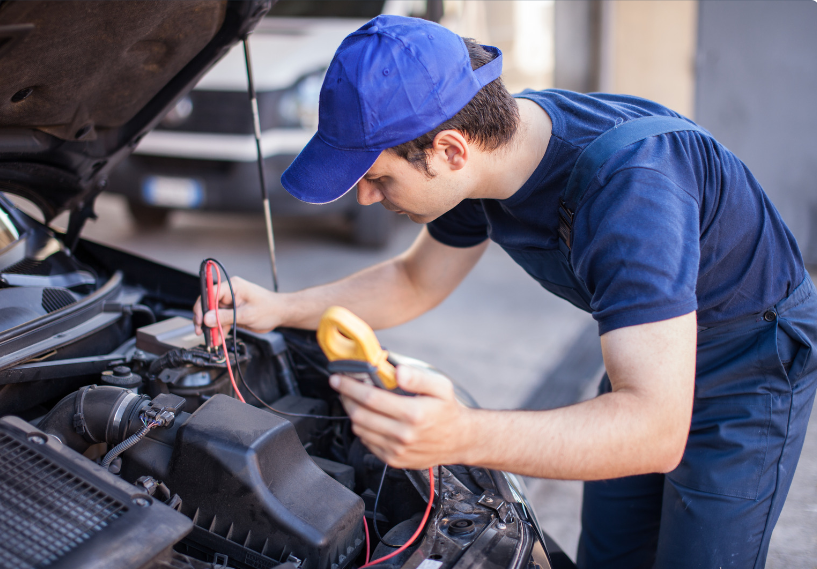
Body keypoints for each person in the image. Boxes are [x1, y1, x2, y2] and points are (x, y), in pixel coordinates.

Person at [193, 15, 817, 569]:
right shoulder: (485, 163)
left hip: (749, 364)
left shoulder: (633, 191)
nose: (364, 196)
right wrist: (277, 309)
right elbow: (413, 280)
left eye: (378, 176)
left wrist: (460, 434)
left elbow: (654, 427)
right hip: (649, 351)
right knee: (614, 554)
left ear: (449, 149)